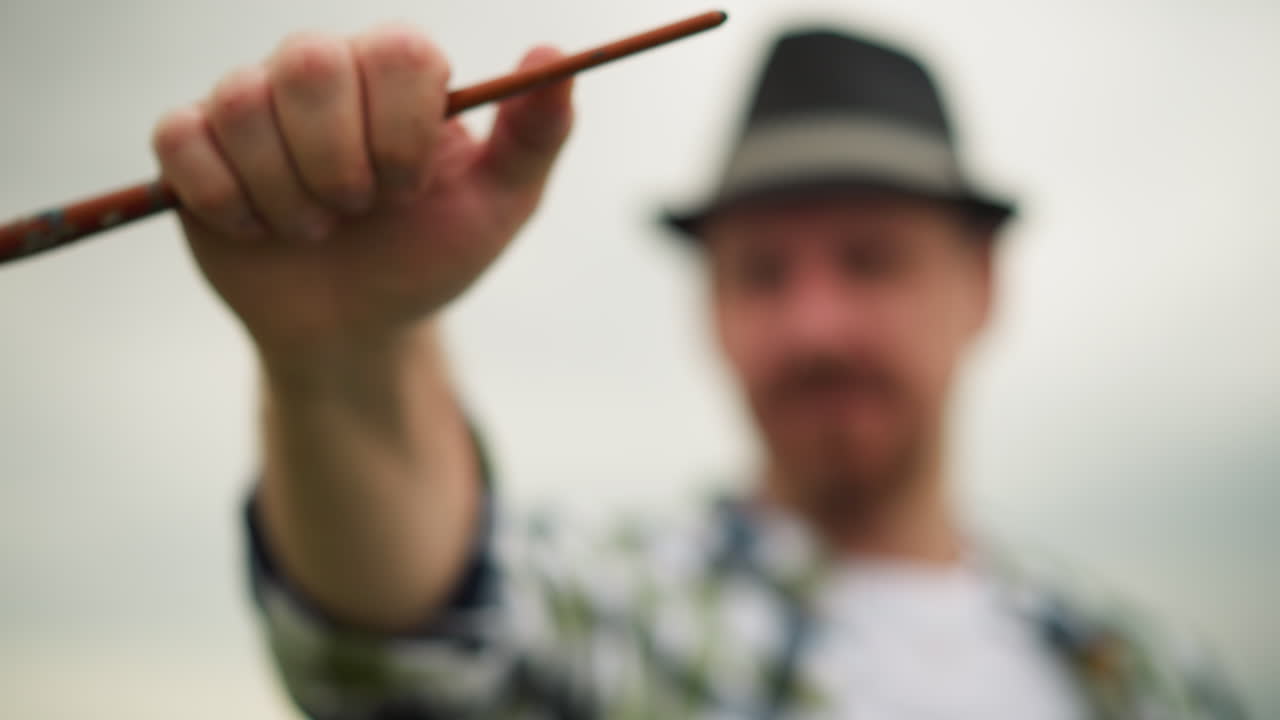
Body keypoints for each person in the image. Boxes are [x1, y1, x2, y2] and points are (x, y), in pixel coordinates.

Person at [151, 19, 1246, 719]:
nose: (812, 325)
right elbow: (404, 653)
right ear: (709, 311)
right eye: (761, 273)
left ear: (981, 287)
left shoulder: (1149, 676)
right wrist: (345, 351)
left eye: (868, 262)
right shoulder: (618, 605)